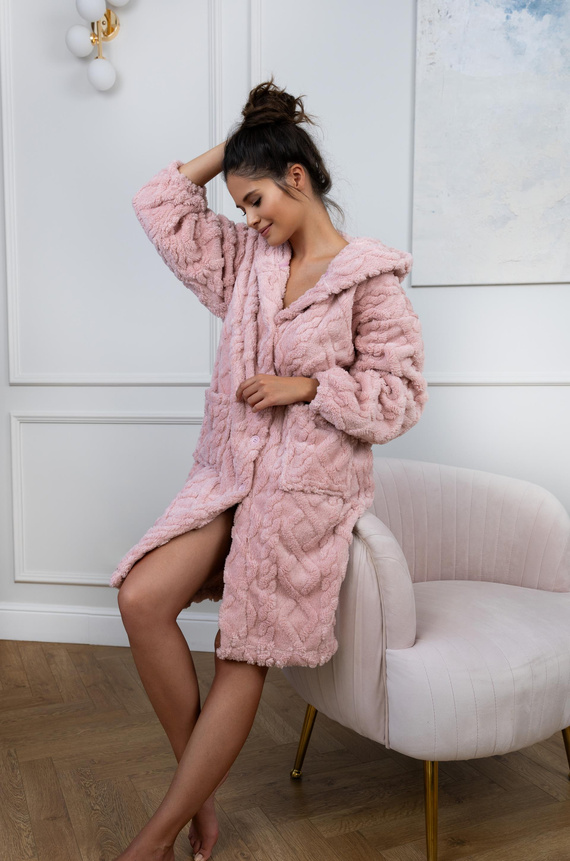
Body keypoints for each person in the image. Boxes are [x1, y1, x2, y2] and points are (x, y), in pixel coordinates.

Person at [110, 77, 428, 861]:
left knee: (241, 651)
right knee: (142, 598)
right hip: (227, 476)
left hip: (299, 499)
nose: (248, 218)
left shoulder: (370, 281)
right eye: (240, 205)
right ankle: (199, 792)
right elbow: (158, 204)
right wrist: (241, 140)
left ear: (297, 178)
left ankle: (156, 835)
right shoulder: (246, 263)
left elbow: (400, 396)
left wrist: (310, 387)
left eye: (255, 200)